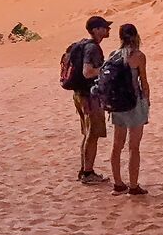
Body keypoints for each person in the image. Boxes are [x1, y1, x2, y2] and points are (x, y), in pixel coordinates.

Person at [58, 14, 112, 183]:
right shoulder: (92, 48)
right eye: (104, 27)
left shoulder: (83, 45)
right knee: (92, 134)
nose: (107, 29)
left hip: (80, 95)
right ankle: (88, 173)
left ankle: (85, 170)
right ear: (96, 30)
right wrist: (106, 70)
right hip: (90, 96)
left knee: (87, 134)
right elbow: (88, 72)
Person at [104, 22, 151, 196]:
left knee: (117, 145)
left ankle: (117, 184)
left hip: (117, 104)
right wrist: (147, 101)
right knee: (134, 146)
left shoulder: (113, 55)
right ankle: (133, 185)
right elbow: (143, 82)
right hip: (134, 103)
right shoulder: (139, 56)